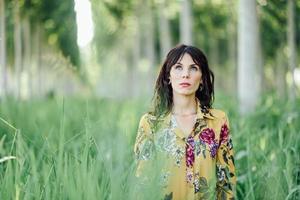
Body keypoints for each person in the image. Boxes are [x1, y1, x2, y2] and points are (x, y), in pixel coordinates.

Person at [133, 44, 236, 200]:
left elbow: (226, 183)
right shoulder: (150, 123)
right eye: (178, 67)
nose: (185, 74)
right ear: (168, 76)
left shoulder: (218, 121)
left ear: (202, 78)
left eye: (193, 68)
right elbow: (143, 183)